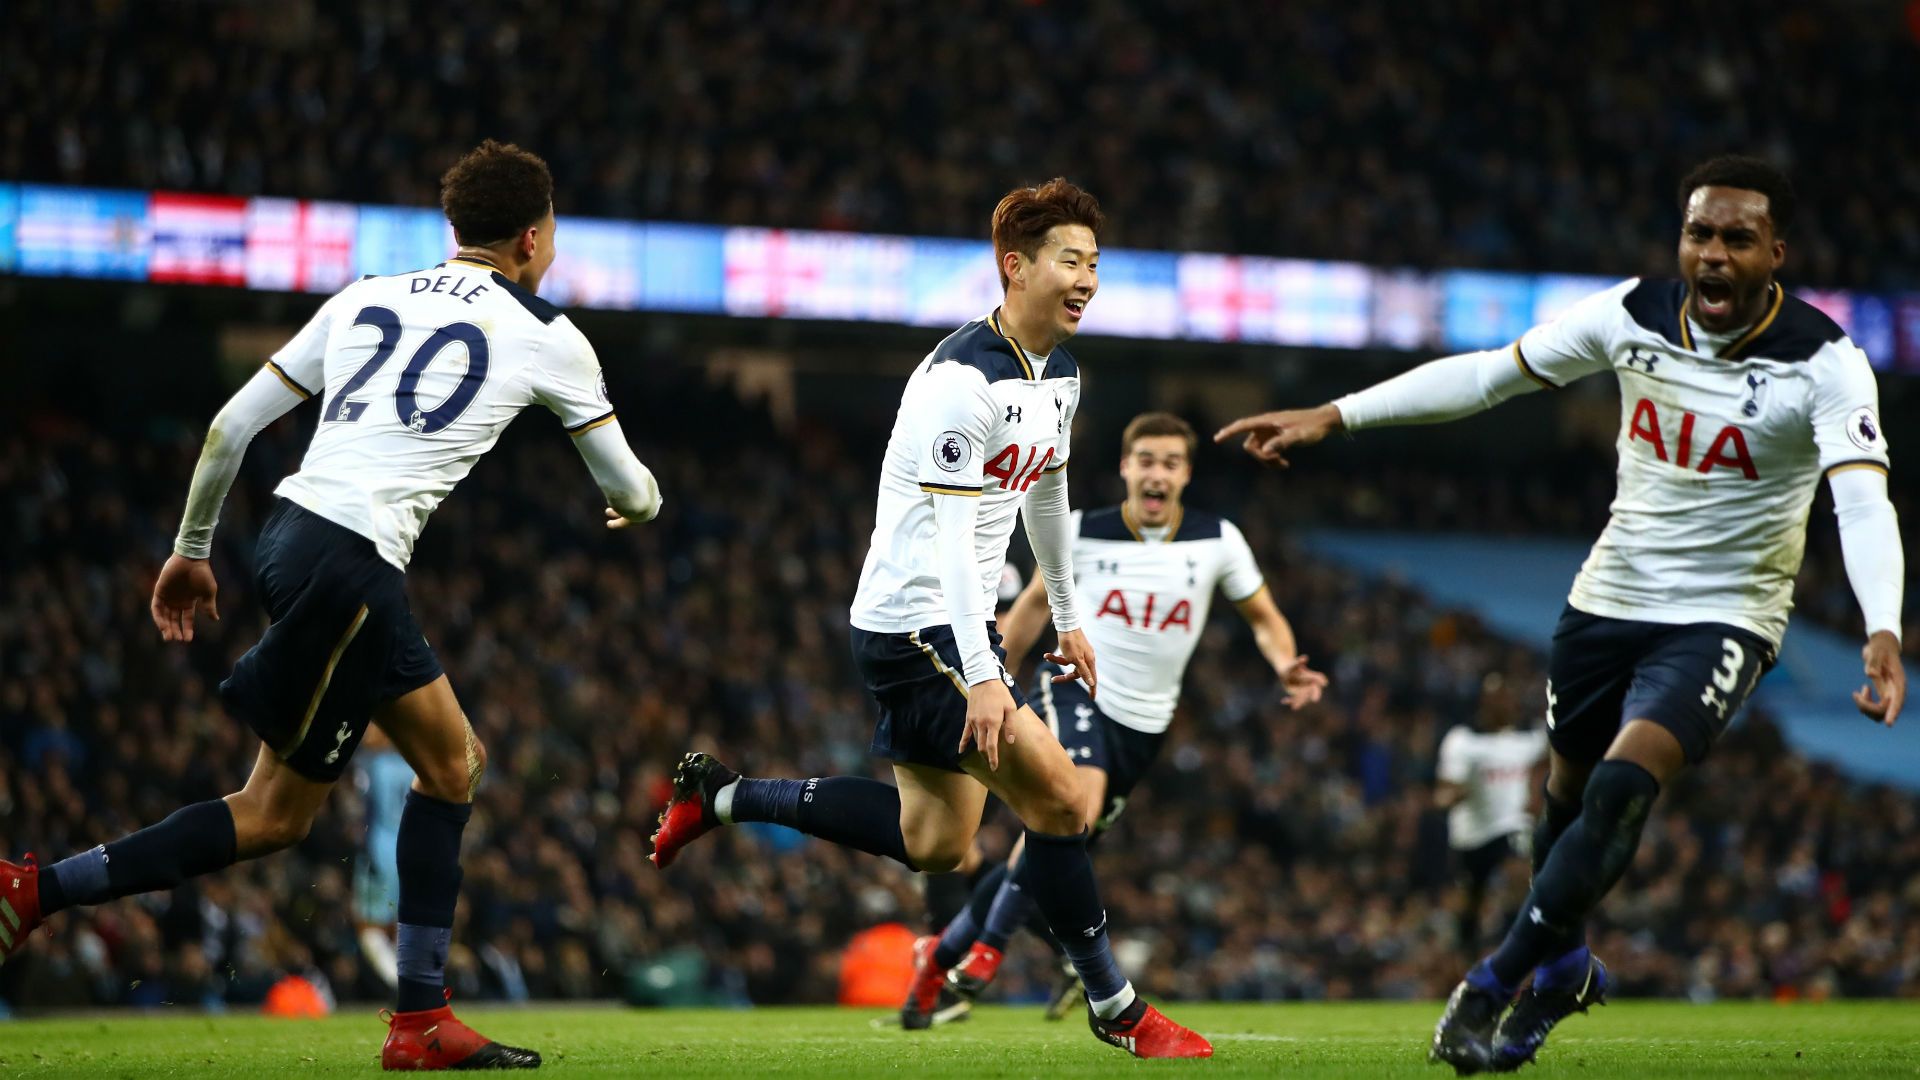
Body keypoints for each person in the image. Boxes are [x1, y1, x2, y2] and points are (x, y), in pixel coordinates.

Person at [1216, 155, 1905, 1074]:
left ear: (1776, 253)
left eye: (1738, 238)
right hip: (1607, 597)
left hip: (1726, 614)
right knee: (1564, 810)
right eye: (1700, 232)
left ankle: (1494, 983)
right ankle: (1571, 966)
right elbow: (1488, 378)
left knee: (1624, 787)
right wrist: (1336, 415)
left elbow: (1859, 500)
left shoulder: (1825, 363)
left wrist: (1883, 627)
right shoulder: (1630, 315)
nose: (1713, 253)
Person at [0, 140, 663, 1071]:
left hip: (292, 538)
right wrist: (639, 507)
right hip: (353, 564)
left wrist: (191, 550)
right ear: (532, 234)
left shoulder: (364, 295)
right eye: (550, 235)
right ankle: (414, 1018)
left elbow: (232, 425)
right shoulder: (550, 334)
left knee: (419, 774)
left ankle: (41, 893)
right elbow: (631, 492)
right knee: (312, 804)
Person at [648, 179, 1212, 1059]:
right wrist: (985, 676)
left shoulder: (1059, 371)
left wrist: (1067, 615)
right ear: (1013, 266)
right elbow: (954, 539)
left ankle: (721, 795)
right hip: (920, 626)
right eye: (1071, 260)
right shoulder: (960, 380)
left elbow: (1049, 490)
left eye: (1096, 264)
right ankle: (1120, 1009)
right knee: (1064, 801)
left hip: (950, 629)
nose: (1088, 280)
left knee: (937, 843)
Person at [929, 411, 1327, 1023]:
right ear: (1125, 467)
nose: (1156, 473)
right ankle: (986, 953)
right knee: (1073, 809)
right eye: (1146, 460)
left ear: (1186, 474)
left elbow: (1264, 617)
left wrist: (1285, 666)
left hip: (1145, 728)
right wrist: (984, 672)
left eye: (1170, 463)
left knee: (1059, 839)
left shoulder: (1218, 539)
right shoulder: (1081, 531)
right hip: (1074, 688)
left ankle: (939, 962)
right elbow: (1033, 608)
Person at [1434, 675, 1548, 954]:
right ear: (1483, 702)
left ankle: (1520, 946)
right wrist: (1452, 796)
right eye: (1497, 697)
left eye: (1508, 696)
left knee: (1520, 871)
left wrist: (1537, 796)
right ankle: (1467, 952)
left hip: (1514, 825)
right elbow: (1445, 789)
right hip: (1473, 835)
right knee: (1470, 901)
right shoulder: (1464, 741)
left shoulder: (1531, 739)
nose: (1505, 703)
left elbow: (1550, 762)